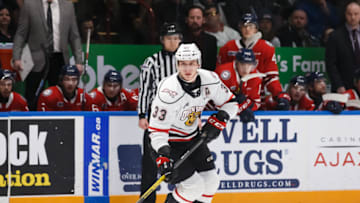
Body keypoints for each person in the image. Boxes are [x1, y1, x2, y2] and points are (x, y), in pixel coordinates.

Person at [148, 43, 238, 202]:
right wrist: (163, 156)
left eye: (191, 63)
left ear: (198, 63)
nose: (187, 69)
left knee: (211, 182)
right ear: (177, 65)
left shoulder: (210, 79)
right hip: (168, 144)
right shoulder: (168, 91)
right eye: (183, 64)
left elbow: (231, 103)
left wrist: (220, 118)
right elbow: (157, 131)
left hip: (192, 138)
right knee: (193, 187)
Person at [138, 22, 182, 203]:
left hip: (181, 122)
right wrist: (142, 115)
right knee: (150, 167)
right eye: (168, 38)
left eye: (175, 38)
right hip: (158, 122)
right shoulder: (152, 62)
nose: (172, 42)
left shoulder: (188, 62)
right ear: (162, 40)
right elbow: (145, 90)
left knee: (183, 165)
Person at [12, 0, 83, 110]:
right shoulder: (30, 5)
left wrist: (79, 61)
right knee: (32, 97)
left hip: (60, 59)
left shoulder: (68, 6)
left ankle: (61, 123)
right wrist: (17, 57)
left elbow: (74, 36)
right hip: (35, 60)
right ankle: (31, 122)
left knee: (60, 97)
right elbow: (21, 34)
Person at [217, 12, 291, 110]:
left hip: (256, 98)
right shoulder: (227, 48)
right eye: (245, 26)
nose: (247, 29)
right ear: (240, 27)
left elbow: (271, 77)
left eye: (251, 26)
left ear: (256, 28)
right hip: (231, 97)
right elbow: (221, 76)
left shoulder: (266, 48)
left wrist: (278, 94)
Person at [215, 48, 262, 122]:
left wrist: (241, 107)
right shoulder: (222, 72)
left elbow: (256, 102)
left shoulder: (256, 77)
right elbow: (215, 101)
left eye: (249, 65)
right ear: (236, 63)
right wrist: (241, 107)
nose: (246, 69)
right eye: (243, 64)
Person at [326, 2, 360, 93]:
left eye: (356, 14)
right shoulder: (335, 36)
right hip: (343, 87)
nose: (353, 17)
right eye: (350, 14)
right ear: (345, 14)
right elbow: (330, 64)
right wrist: (338, 85)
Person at [183, 5, 217, 71]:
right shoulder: (180, 39)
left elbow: (212, 65)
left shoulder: (211, 40)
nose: (195, 21)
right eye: (192, 18)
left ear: (204, 20)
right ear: (186, 20)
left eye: (198, 18)